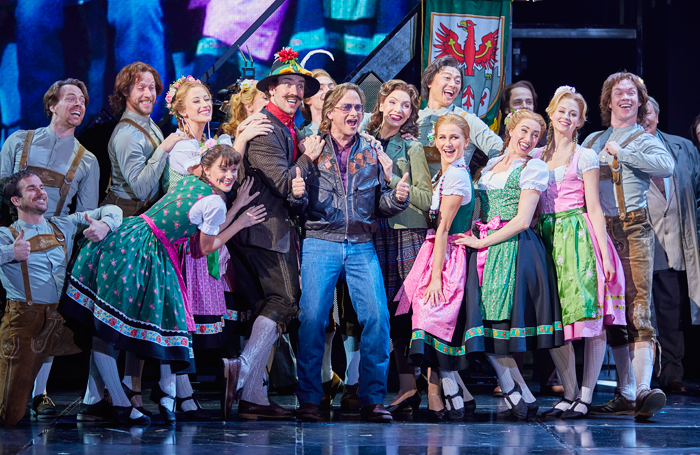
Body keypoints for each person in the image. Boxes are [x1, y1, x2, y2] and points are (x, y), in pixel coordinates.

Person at [61, 145, 265, 425]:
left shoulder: (191, 178)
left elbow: (205, 218)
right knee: (160, 326)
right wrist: (240, 221)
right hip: (151, 253)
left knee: (115, 323)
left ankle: (148, 397)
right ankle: (138, 399)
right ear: (207, 168)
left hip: (130, 236)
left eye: (233, 169)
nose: (229, 174)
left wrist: (237, 203)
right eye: (223, 168)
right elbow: (206, 247)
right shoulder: (215, 203)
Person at [294, 83, 411, 423]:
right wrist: (298, 193)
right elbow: (295, 202)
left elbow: (380, 206)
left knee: (377, 318)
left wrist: (397, 197)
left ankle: (372, 398)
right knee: (312, 319)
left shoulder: (372, 150)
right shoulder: (312, 149)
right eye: (346, 107)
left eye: (358, 108)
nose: (353, 113)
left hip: (361, 244)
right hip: (321, 240)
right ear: (329, 112)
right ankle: (309, 399)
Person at [222, 47, 324, 421]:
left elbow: (297, 197)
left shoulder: (287, 128)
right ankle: (243, 367)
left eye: (300, 85)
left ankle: (252, 398)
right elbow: (284, 182)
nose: (296, 91)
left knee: (268, 308)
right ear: (271, 91)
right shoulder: (266, 127)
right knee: (285, 299)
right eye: (288, 84)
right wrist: (307, 157)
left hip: (273, 228)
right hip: (263, 229)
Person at [454, 109, 564, 420]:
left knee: (499, 326)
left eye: (535, 135)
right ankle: (520, 392)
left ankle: (518, 391)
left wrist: (482, 241)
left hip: (513, 249)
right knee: (480, 325)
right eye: (524, 131)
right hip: (485, 247)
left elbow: (522, 220)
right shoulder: (489, 167)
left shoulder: (533, 168)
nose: (529, 139)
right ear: (510, 130)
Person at [0, 78, 100, 420]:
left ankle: (39, 392)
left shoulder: (87, 161)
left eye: (84, 101)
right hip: (14, 241)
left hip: (56, 245)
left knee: (49, 318)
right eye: (71, 97)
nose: (79, 104)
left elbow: (86, 215)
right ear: (52, 104)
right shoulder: (18, 141)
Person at [583, 72, 675, 421]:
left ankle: (641, 389)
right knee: (612, 312)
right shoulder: (593, 139)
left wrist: (625, 152)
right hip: (599, 231)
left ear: (639, 102)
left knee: (638, 307)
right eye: (618, 92)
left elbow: (667, 166)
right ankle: (625, 390)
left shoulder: (643, 138)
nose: (625, 97)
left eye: (632, 93)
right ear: (608, 102)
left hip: (633, 229)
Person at [532, 86, 627, 419]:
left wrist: (603, 252)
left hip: (576, 238)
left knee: (588, 318)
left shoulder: (584, 155)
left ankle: (586, 393)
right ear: (551, 113)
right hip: (545, 237)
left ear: (579, 122)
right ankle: (569, 393)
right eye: (561, 111)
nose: (566, 117)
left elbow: (595, 208)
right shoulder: (536, 156)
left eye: (573, 114)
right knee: (554, 320)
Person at [0, 170, 122, 426]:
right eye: (32, 188)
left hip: (61, 319)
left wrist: (105, 224)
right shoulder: (6, 235)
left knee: (109, 329)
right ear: (15, 200)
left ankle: (106, 400)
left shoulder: (62, 225)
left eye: (42, 187)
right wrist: (9, 252)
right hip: (25, 323)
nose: (41, 191)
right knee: (10, 416)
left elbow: (112, 208)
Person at [395, 113, 479, 421]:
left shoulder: (456, 175)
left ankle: (447, 391)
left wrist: (434, 277)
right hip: (437, 252)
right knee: (426, 320)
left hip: (449, 256)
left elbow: (443, 229)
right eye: (443, 137)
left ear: (466, 142)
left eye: (455, 137)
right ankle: (454, 394)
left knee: (432, 318)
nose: (448, 143)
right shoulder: (445, 175)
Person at [362, 80, 432, 416]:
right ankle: (408, 386)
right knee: (389, 314)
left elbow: (427, 199)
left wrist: (393, 180)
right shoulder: (367, 141)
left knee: (412, 313)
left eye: (405, 105)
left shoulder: (412, 148)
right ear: (381, 104)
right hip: (377, 234)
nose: (398, 110)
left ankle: (425, 388)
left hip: (407, 235)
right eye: (393, 102)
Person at [642, 97, 700, 395]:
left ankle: (672, 373)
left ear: (657, 115)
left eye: (647, 112)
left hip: (674, 244)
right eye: (638, 113)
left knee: (670, 312)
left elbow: (697, 191)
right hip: (638, 246)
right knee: (639, 316)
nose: (644, 118)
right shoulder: (617, 148)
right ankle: (642, 377)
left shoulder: (683, 148)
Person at [103, 61, 186, 217]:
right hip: (127, 217)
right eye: (141, 88)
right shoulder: (126, 135)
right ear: (125, 91)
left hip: (148, 210)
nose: (148, 94)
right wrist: (163, 148)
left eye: (151, 88)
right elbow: (141, 190)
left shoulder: (147, 122)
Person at [417, 56, 503, 176]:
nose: (453, 84)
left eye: (457, 81)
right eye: (447, 78)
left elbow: (501, 151)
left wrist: (482, 180)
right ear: (429, 81)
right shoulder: (413, 118)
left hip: (451, 192)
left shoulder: (466, 120)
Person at [300, 69, 337, 137]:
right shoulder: (302, 137)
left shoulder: (352, 126)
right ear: (307, 100)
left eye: (331, 87)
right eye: (320, 88)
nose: (328, 91)